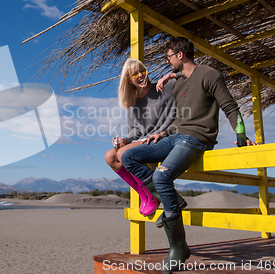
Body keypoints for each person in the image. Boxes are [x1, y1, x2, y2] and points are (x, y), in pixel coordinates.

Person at [121, 37, 256, 274]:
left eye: (168, 57)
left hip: (196, 139)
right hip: (174, 136)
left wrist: (241, 134)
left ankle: (178, 248)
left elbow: (230, 106)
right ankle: (173, 200)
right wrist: (161, 133)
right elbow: (178, 120)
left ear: (179, 55)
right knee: (128, 157)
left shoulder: (209, 74)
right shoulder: (180, 83)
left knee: (162, 177)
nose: (167, 62)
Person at [104, 58, 177, 216]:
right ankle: (145, 194)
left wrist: (170, 76)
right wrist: (125, 141)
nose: (140, 75)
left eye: (142, 71)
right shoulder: (133, 101)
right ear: (129, 80)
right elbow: (135, 132)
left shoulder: (164, 86)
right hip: (143, 140)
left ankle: (152, 194)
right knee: (110, 156)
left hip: (163, 137)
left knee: (122, 154)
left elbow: (185, 76)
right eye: (135, 74)